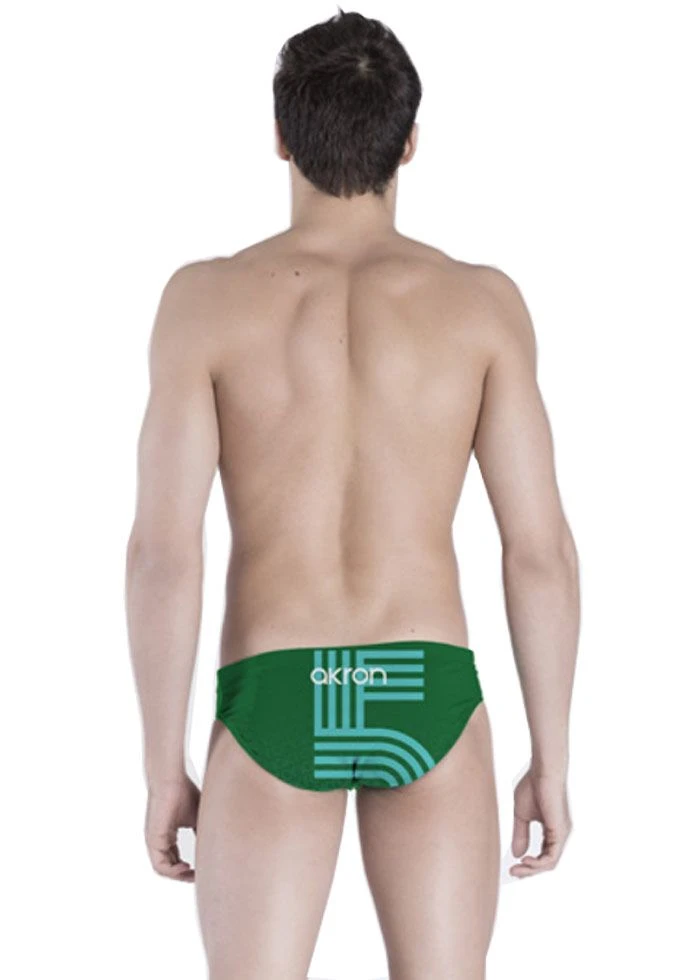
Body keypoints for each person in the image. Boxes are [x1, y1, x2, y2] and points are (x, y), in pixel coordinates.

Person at [125, 9, 579, 979]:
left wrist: (164, 767)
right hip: (424, 689)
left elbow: (164, 552)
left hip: (280, 690)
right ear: (408, 142)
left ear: (280, 137)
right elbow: (538, 550)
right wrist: (551, 755)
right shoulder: (481, 304)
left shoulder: (203, 301)